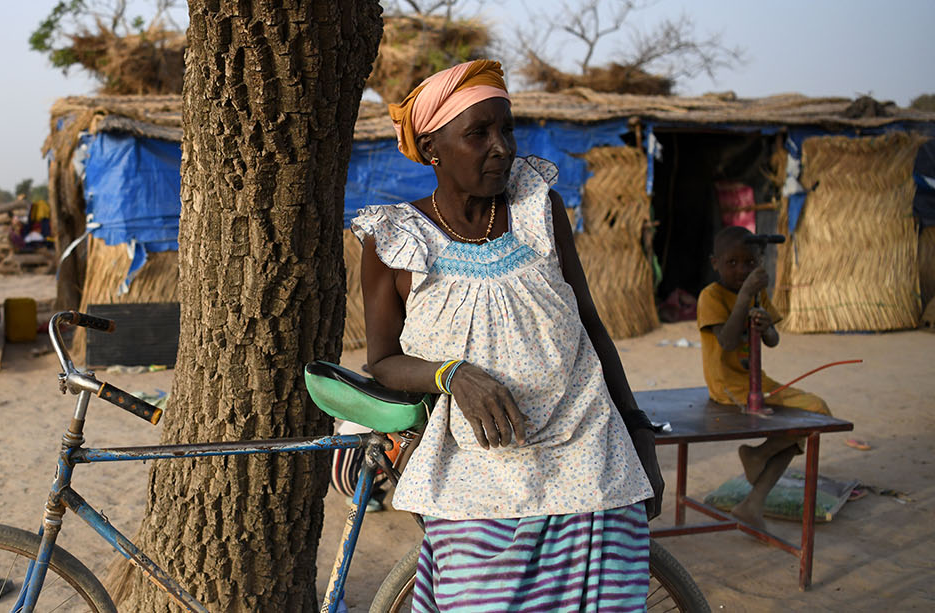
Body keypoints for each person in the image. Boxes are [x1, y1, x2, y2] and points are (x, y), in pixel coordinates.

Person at [354, 59, 663, 611]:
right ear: (431, 149)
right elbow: (382, 360)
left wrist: (638, 430)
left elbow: (589, 323)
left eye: (507, 128)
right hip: (476, 471)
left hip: (592, 460)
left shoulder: (539, 210)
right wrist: (451, 375)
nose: (501, 147)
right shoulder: (394, 240)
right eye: (478, 133)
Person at [697, 225, 831, 529]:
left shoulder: (758, 294)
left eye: (749, 263)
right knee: (810, 418)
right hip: (729, 388)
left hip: (759, 383)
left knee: (814, 415)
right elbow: (728, 341)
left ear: (759, 262)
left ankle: (754, 497)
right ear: (714, 263)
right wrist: (745, 296)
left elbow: (772, 339)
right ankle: (758, 463)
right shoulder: (711, 296)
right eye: (732, 263)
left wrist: (767, 325)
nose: (741, 270)